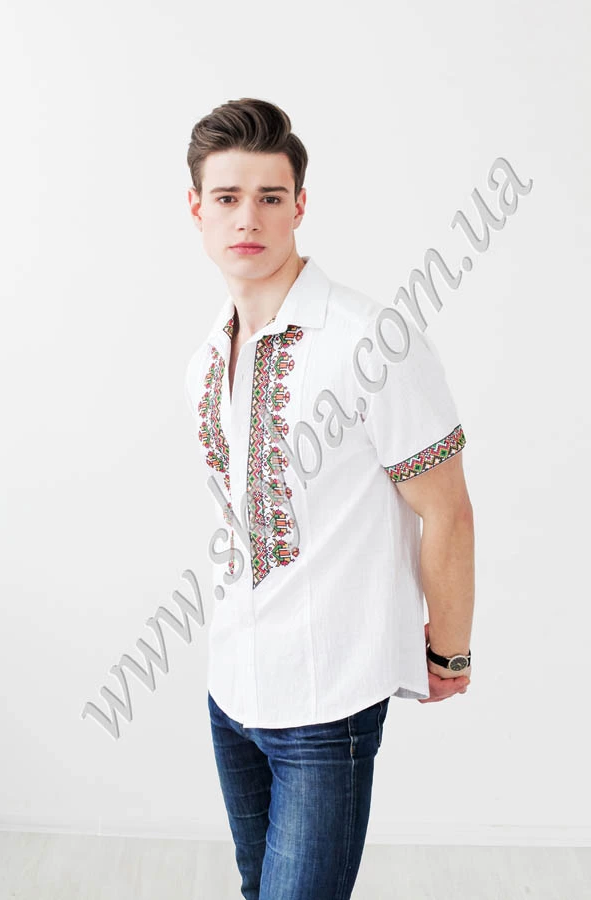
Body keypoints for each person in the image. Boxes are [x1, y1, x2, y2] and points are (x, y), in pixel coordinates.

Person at [184, 97, 474, 900]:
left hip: (327, 701)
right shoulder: (206, 357)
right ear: (196, 208)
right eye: (227, 197)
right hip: (231, 691)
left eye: (270, 197)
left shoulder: (370, 340)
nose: (248, 218)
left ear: (300, 206)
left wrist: (449, 651)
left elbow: (447, 509)